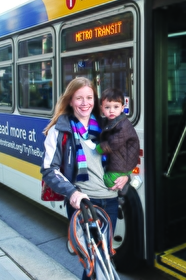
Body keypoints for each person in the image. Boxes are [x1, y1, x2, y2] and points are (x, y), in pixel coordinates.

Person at [40, 77, 128, 280]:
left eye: (89, 97)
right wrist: (72, 192)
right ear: (70, 100)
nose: (85, 103)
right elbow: (48, 169)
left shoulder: (108, 126)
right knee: (94, 261)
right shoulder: (60, 130)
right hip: (84, 204)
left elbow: (124, 157)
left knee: (103, 258)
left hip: (110, 201)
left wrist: (124, 175)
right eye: (79, 98)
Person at [96, 88, 140, 204]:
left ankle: (120, 195)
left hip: (123, 163)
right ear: (102, 108)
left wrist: (99, 148)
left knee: (108, 181)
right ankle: (120, 193)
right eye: (107, 107)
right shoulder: (110, 121)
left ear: (122, 107)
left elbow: (113, 143)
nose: (111, 111)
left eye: (116, 107)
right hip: (119, 160)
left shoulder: (123, 125)